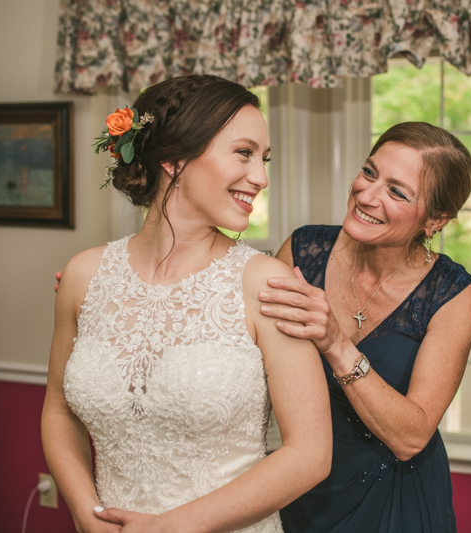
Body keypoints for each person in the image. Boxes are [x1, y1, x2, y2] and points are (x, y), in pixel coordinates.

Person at [41, 75, 332, 533]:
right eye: (244, 152)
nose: (261, 177)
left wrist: (168, 528)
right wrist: (86, 512)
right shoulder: (83, 275)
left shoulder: (265, 284)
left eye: (264, 158)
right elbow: (58, 412)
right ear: (174, 159)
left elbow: (310, 455)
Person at [258, 122, 471, 532]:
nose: (367, 194)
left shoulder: (454, 296)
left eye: (397, 191)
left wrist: (335, 343)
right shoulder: (302, 251)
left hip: (397, 498)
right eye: (369, 172)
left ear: (436, 220)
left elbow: (411, 438)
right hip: (301, 485)